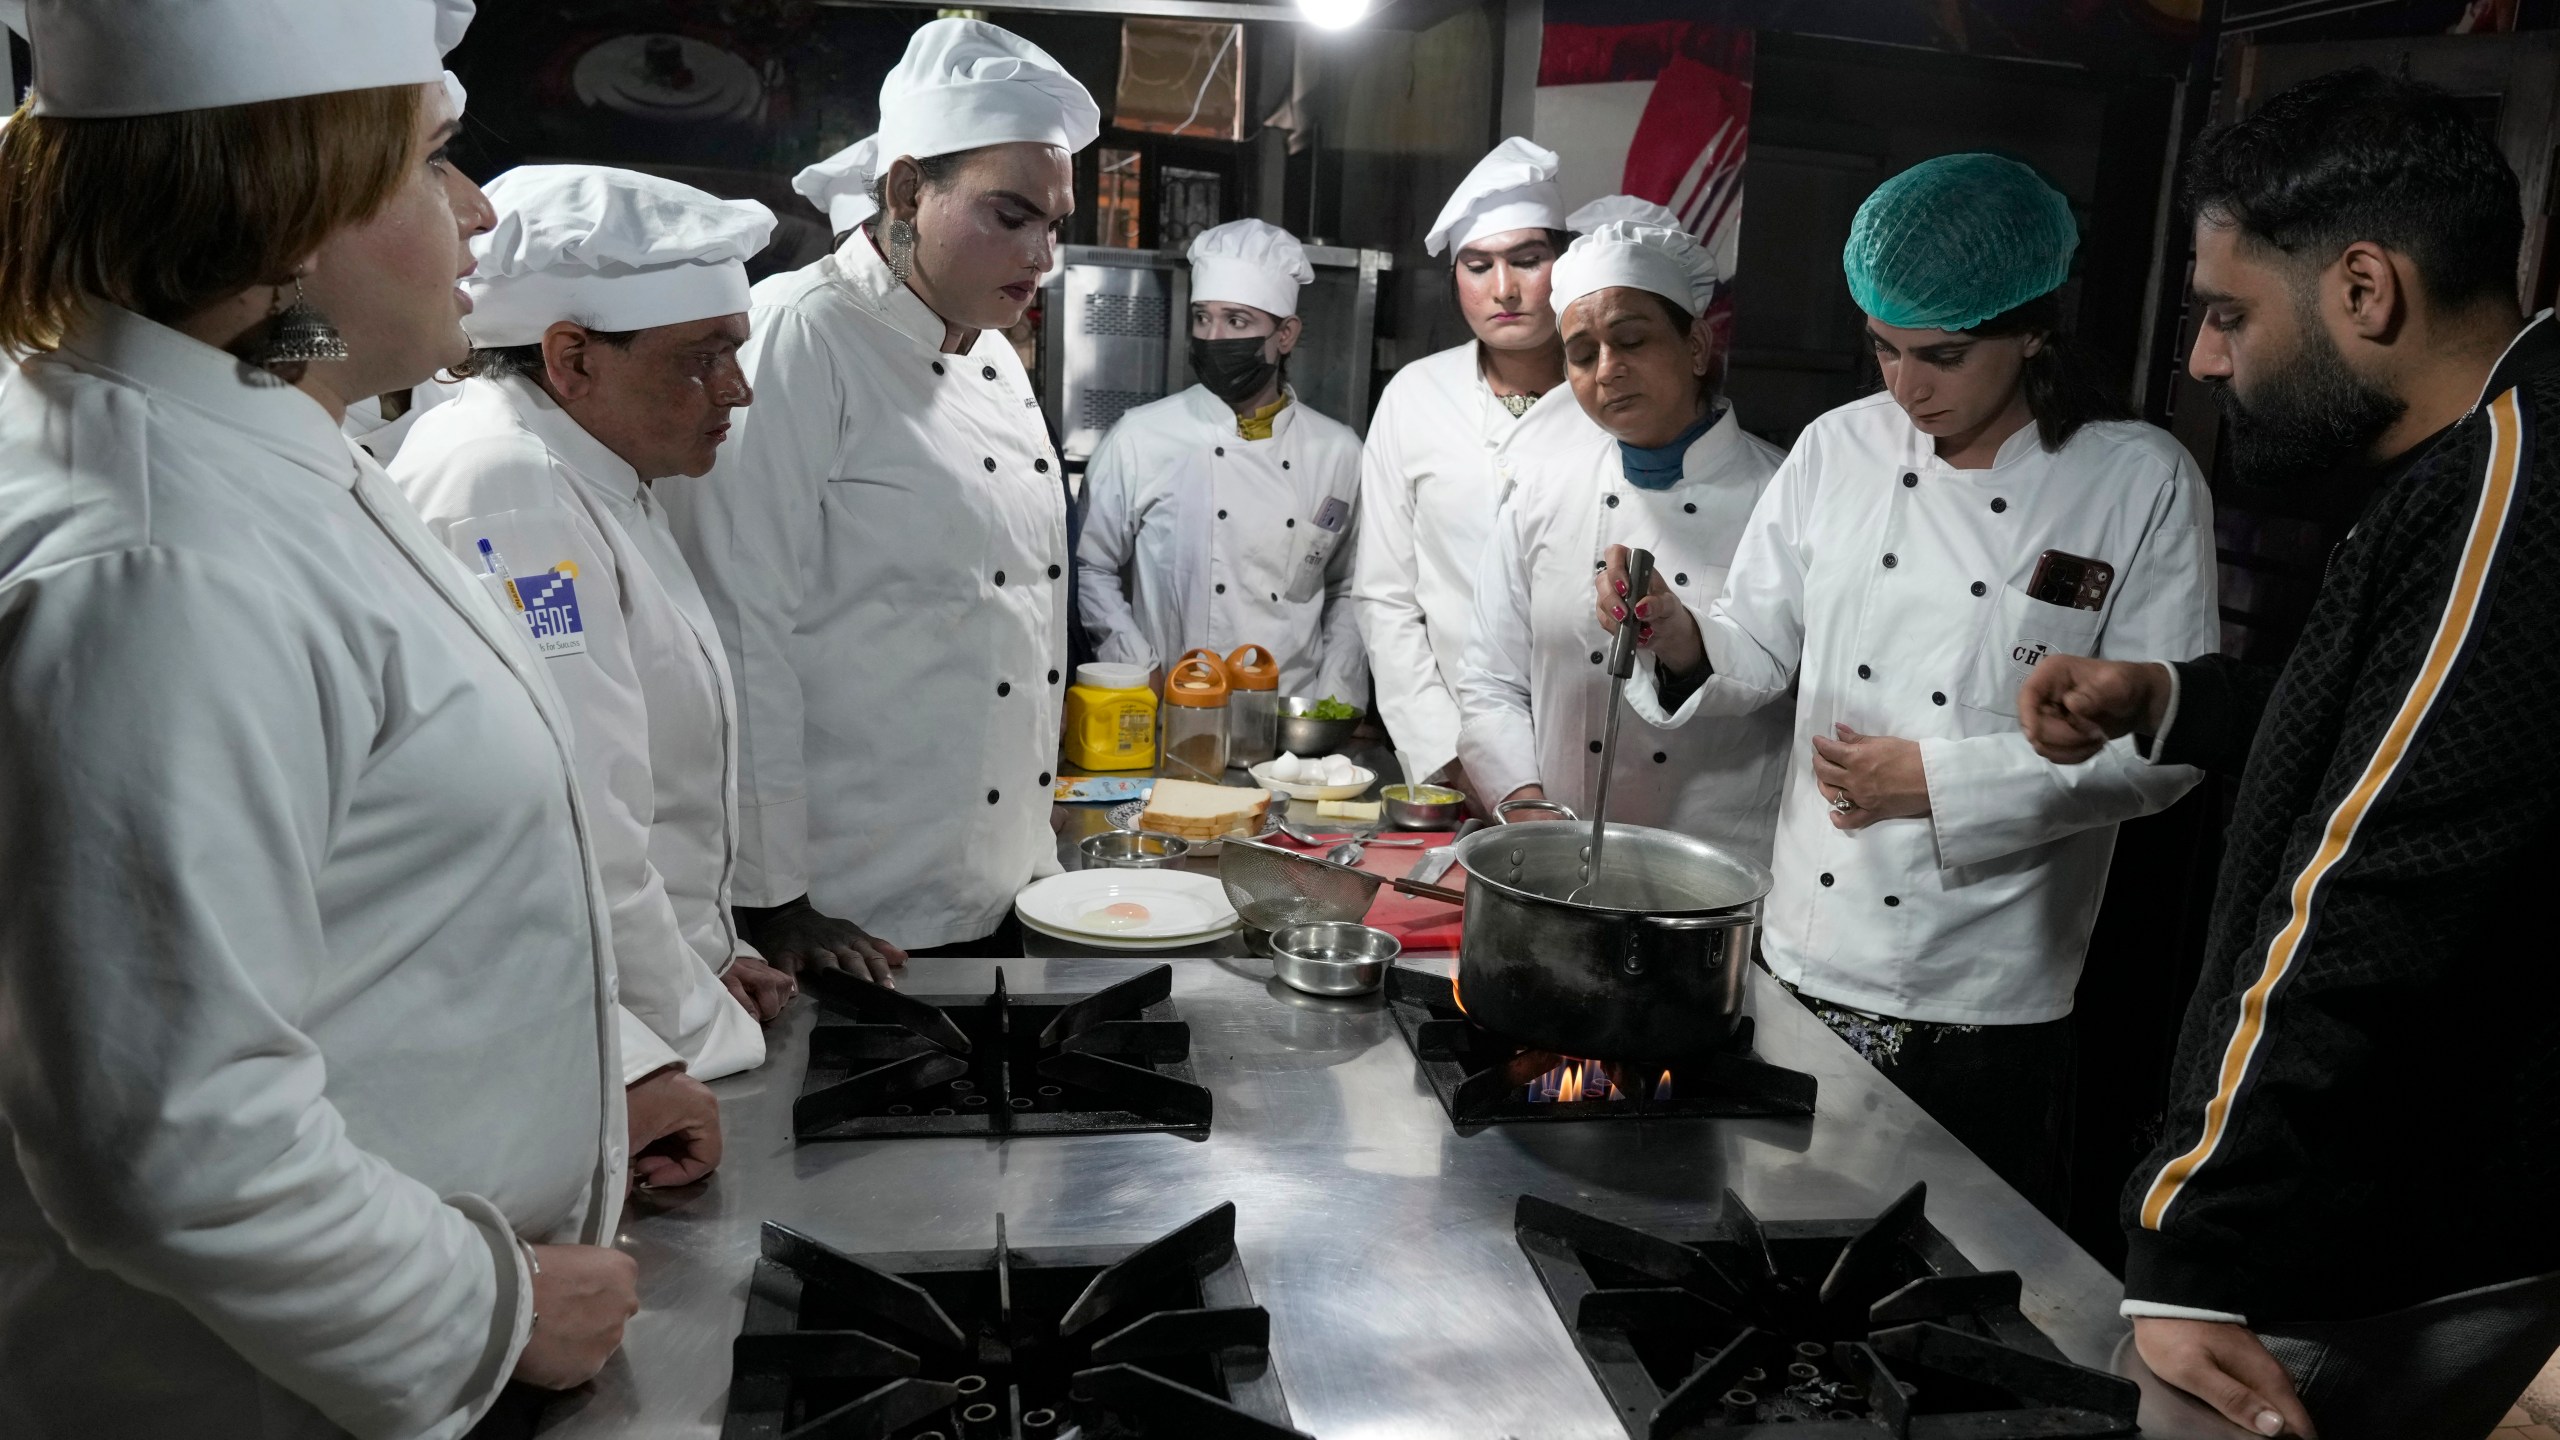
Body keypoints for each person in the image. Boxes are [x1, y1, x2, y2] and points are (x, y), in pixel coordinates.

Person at [0, 0, 716, 1431]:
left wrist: (606, 1073)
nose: (478, 209)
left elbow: (395, 895)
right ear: (285, 215)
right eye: (434, 157)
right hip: (272, 1396)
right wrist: (485, 1308)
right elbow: (168, 1135)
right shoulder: (158, 561)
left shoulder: (266, 450)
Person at [2018, 70, 2560, 1440]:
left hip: (2355, 1252)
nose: (2202, 357)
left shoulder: (2509, 482)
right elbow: (2400, 742)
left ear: (2365, 289)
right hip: (2398, 1219)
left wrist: (2192, 1240)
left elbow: (2379, 883)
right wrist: (2168, 698)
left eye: (2226, 311)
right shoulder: (2464, 460)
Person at [1600, 153, 2217, 1218]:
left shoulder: (2138, 480)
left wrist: (1932, 782)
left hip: (1988, 988)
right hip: (1801, 954)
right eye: (1882, 348)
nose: (1905, 385)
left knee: (1952, 1284)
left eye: (1942, 354)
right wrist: (1681, 636)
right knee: (1765, 1243)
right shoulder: (1839, 450)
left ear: (2033, 331)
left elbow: (2158, 756)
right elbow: (1759, 639)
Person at [662, 19, 1093, 958]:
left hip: (1000, 883)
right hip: (845, 910)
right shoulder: (801, 333)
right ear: (906, 188)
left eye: (1053, 226)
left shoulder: (992, 353)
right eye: (1010, 217)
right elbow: (738, 628)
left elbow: (1013, 618)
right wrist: (772, 900)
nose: (1041, 258)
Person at [393, 164, 803, 1083]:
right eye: (703, 356)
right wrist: (690, 1035)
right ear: (572, 358)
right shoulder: (509, 484)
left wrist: (708, 952)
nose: (735, 390)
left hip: (640, 1002)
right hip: (597, 1048)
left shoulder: (593, 468)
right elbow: (584, 830)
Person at [1459, 218, 1788, 859]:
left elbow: (1806, 688)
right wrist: (1523, 805)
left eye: (1631, 340)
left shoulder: (1783, 494)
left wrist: (1686, 641)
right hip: (1558, 857)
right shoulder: (1542, 493)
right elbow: (1490, 679)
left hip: (1715, 876)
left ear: (1695, 346)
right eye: (1581, 354)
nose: (1607, 370)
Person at [1356, 137, 1612, 799]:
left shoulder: (1617, 398)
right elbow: (1386, 595)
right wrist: (1448, 753)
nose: (1504, 289)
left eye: (1527, 260)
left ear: (1566, 262)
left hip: (1603, 748)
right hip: (1457, 757)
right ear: (1455, 278)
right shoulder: (1415, 397)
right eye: (1478, 265)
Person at [1076, 218, 1366, 705]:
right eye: (1202, 318)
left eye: (1236, 321)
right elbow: (1088, 565)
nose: (1213, 337)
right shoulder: (1142, 435)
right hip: (1176, 706)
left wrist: (1333, 698)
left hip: (1290, 717)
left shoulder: (1338, 451)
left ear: (1285, 335)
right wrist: (1135, 663)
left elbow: (1351, 589)